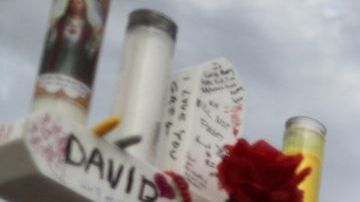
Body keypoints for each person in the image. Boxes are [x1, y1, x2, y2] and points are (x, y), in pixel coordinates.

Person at [40, 0, 97, 87]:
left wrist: (94, 39)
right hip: (58, 60)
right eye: (73, 3)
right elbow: (50, 43)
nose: (75, 6)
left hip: (76, 63)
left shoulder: (88, 27)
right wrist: (51, 29)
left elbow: (90, 52)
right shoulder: (61, 21)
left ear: (83, 6)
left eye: (78, 3)